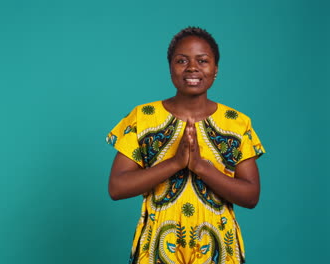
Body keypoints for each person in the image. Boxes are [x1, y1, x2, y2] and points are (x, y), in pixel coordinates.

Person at [105, 27, 265, 264]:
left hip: (218, 249)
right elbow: (116, 188)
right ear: (170, 67)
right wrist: (175, 163)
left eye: (202, 61)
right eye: (182, 61)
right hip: (157, 249)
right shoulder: (143, 118)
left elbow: (251, 196)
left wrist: (201, 167)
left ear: (215, 69)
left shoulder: (236, 123)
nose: (192, 68)